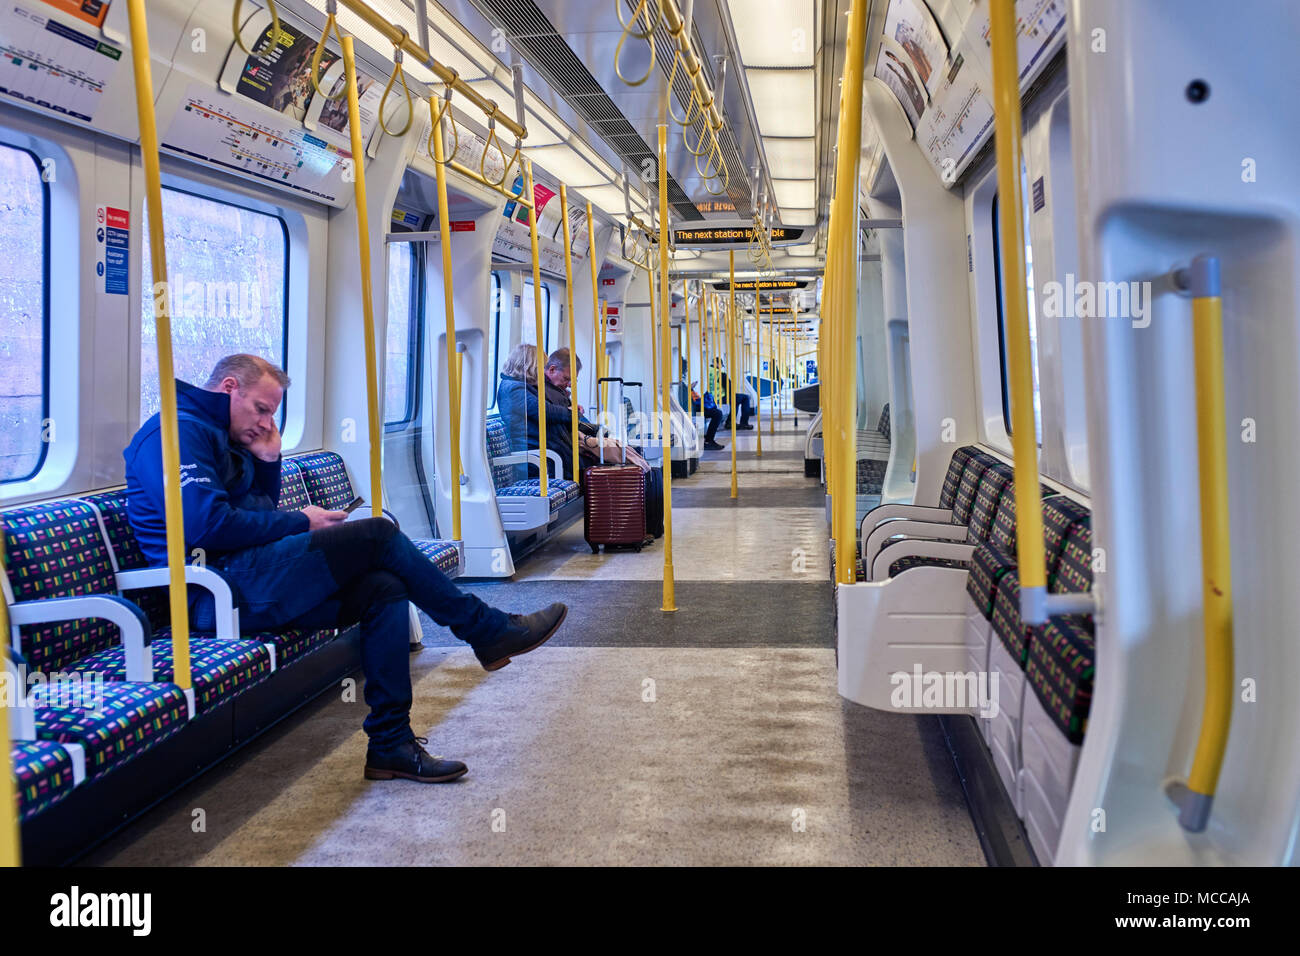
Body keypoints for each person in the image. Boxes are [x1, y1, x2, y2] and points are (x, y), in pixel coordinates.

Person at [125, 354, 568, 784]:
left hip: (251, 577)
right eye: (261, 409)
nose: (264, 421)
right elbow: (208, 525)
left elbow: (259, 510)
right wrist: (303, 521)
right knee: (376, 534)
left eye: (272, 414)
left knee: (384, 587)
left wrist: (268, 458)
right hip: (211, 596)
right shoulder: (176, 433)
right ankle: (486, 630)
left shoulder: (227, 434)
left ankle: (390, 744)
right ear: (228, 388)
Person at [498, 344, 663, 538]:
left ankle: (635, 525)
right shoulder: (514, 389)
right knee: (610, 467)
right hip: (539, 460)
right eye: (540, 367)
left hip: (551, 451)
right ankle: (625, 527)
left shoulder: (526, 388)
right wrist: (572, 414)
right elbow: (545, 412)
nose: (542, 373)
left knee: (622, 461)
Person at [712, 358, 753, 430]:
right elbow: (729, 386)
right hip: (720, 397)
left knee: (735, 400)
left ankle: (730, 422)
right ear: (718, 364)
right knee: (745, 398)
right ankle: (744, 423)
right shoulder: (720, 374)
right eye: (721, 365)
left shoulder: (708, 372)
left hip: (711, 398)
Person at [690, 381, 725, 451]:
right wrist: (690, 389)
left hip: (698, 406)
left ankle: (709, 439)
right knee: (717, 414)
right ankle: (709, 441)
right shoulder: (684, 385)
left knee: (717, 413)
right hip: (696, 408)